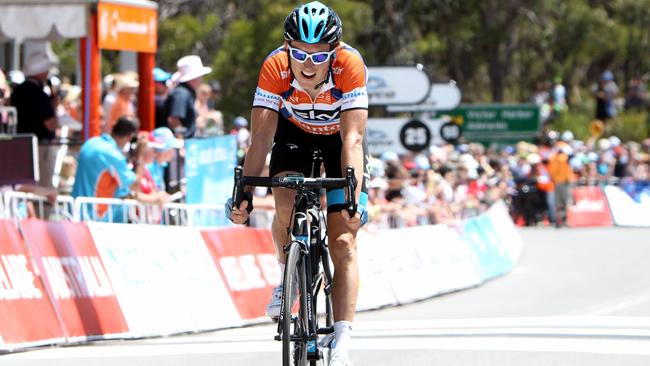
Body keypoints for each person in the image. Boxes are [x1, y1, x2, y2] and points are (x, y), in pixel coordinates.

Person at [227, 2, 368, 365]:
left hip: (338, 141)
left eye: (319, 56)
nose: (308, 64)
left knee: (343, 240)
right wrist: (244, 193)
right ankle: (288, 269)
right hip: (294, 137)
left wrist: (353, 196)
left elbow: (353, 139)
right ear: (287, 49)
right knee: (284, 203)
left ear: (333, 52)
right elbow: (260, 139)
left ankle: (342, 340)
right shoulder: (275, 66)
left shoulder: (349, 66)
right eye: (299, 53)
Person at [72, 116, 141, 222]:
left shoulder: (90, 143)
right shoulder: (114, 155)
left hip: (75, 212)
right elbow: (134, 185)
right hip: (96, 220)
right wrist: (141, 157)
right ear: (129, 137)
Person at [10, 52, 59, 189]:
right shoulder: (38, 94)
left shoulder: (17, 91)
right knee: (42, 185)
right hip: (39, 146)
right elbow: (50, 124)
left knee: (25, 184)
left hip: (21, 144)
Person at [166, 55, 212, 138]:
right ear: (194, 77)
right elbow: (173, 120)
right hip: (181, 143)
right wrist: (181, 141)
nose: (201, 78)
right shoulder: (182, 93)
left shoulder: (185, 92)